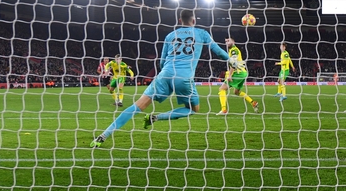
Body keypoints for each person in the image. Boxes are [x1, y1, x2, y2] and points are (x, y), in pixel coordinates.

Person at [90, 9, 238, 148]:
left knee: (136, 106)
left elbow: (161, 62)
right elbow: (217, 51)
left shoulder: (170, 36)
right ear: (194, 20)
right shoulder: (201, 33)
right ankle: (156, 118)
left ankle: (103, 135)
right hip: (184, 78)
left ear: (180, 20)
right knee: (193, 109)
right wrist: (231, 61)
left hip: (165, 75)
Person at [217, 38, 259, 115]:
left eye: (228, 40)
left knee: (222, 89)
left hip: (238, 73)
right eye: (225, 41)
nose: (227, 42)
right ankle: (253, 103)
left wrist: (229, 75)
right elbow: (232, 64)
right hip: (243, 73)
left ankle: (224, 110)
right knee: (236, 92)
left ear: (233, 41)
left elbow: (234, 63)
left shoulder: (234, 50)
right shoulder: (231, 51)